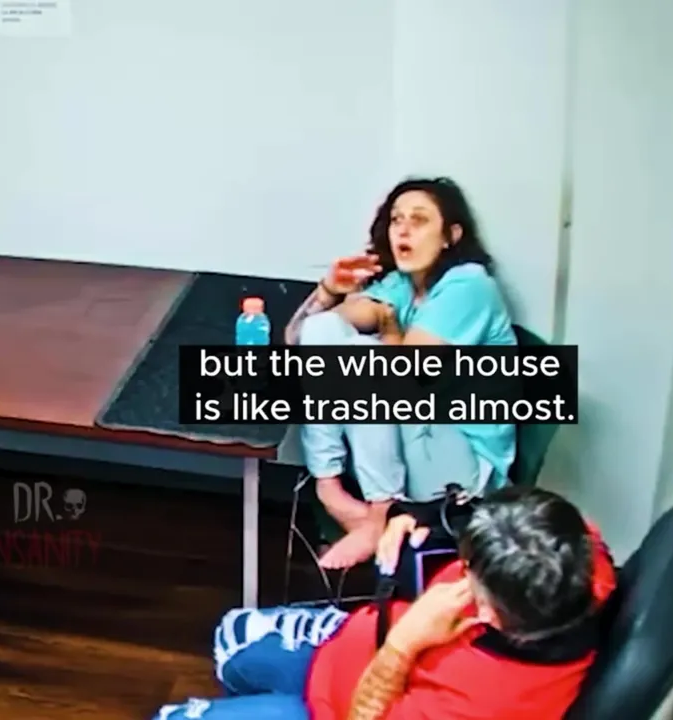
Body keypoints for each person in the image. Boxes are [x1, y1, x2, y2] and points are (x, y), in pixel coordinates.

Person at [151, 485, 618, 719]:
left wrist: (404, 643)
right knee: (229, 641)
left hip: (338, 707)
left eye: (468, 571)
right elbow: (475, 511)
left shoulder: (484, 704)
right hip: (345, 645)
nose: (461, 569)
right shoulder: (576, 555)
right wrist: (414, 516)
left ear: (489, 614)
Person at [284, 177, 518, 569]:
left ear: (451, 235)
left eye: (419, 220)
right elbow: (301, 339)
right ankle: (329, 486)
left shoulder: (469, 286)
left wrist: (389, 331)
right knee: (326, 333)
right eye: (397, 219)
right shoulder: (400, 284)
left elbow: (406, 377)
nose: (403, 230)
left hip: (462, 474)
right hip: (405, 449)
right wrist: (328, 292)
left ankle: (379, 515)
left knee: (363, 360)